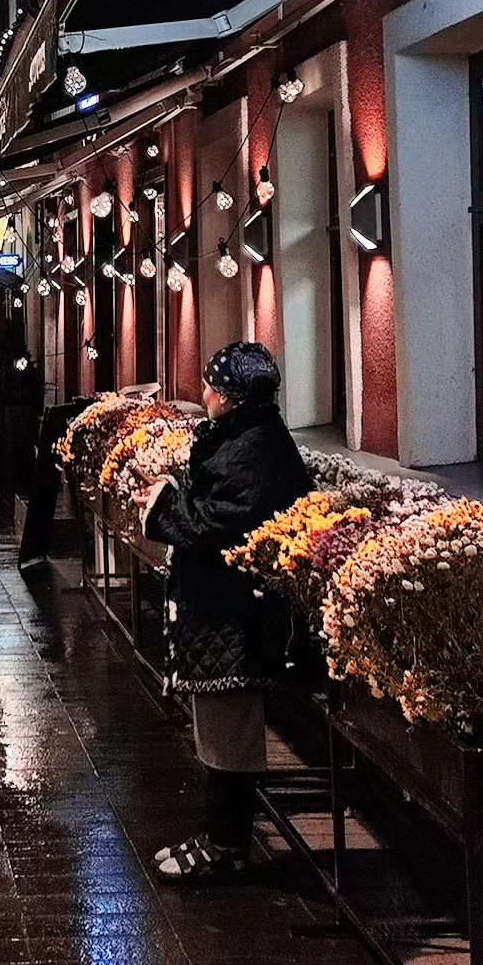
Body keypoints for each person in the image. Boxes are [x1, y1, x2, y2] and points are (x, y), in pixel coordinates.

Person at [139, 341, 310, 883]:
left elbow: (218, 523)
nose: (205, 394)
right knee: (216, 728)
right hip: (223, 611)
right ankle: (220, 836)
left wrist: (167, 505)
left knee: (228, 730)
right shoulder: (244, 439)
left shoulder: (256, 450)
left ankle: (225, 844)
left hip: (237, 619)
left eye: (214, 386)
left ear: (234, 399)